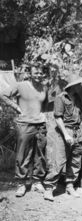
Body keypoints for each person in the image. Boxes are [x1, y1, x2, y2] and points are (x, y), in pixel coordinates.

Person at [0, 62, 48, 197]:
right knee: (23, 154)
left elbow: (44, 104)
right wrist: (17, 108)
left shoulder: (44, 87)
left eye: (41, 73)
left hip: (41, 125)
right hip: (25, 124)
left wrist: (43, 115)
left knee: (40, 154)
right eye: (36, 72)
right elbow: (3, 95)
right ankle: (21, 183)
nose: (39, 75)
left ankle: (37, 181)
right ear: (30, 73)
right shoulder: (21, 85)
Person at [43, 73, 82, 201]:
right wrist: (66, 134)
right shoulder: (61, 98)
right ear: (73, 85)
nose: (81, 85)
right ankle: (49, 188)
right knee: (59, 160)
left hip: (76, 131)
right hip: (64, 131)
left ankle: (69, 185)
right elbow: (57, 117)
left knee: (75, 160)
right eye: (79, 84)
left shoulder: (78, 97)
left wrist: (77, 128)